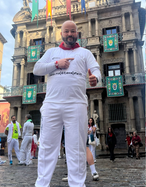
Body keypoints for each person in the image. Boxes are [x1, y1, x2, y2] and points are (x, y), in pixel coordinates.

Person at [33, 20, 101, 186]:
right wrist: (57, 64)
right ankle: (41, 184)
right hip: (51, 105)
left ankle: (77, 184)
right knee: (47, 147)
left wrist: (95, 78)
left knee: (76, 148)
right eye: (66, 31)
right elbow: (36, 69)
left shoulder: (85, 53)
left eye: (73, 31)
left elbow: (96, 69)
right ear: (62, 34)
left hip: (76, 105)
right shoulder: (52, 52)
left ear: (77, 33)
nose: (70, 34)